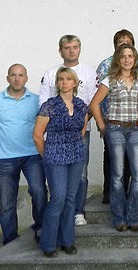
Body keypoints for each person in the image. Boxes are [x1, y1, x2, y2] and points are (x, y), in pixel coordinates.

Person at [90, 43, 138, 232]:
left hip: (135, 130)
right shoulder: (110, 80)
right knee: (117, 175)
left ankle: (133, 216)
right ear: (118, 59)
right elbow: (95, 103)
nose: (127, 60)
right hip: (115, 129)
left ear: (135, 59)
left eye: (130, 56)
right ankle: (119, 218)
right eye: (123, 56)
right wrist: (102, 125)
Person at [39, 35, 97, 226]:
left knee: (80, 174)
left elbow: (90, 103)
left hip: (80, 132)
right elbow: (44, 103)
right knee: (58, 181)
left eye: (74, 47)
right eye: (67, 47)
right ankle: (58, 217)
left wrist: (80, 126)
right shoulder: (50, 73)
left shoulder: (89, 72)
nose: (71, 51)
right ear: (60, 50)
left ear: (80, 49)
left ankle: (78, 212)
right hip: (55, 136)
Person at [33, 67, 89, 257]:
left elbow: (82, 129)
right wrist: (48, 155)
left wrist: (74, 145)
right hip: (55, 156)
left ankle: (67, 241)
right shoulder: (49, 105)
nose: (64, 82)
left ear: (75, 83)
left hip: (76, 155)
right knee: (57, 198)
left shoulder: (81, 105)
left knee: (71, 198)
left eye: (68, 79)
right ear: (57, 83)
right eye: (60, 79)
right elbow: (37, 136)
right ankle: (48, 244)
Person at [0, 64, 46, 245]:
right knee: (6, 202)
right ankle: (10, 239)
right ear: (7, 78)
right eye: (13, 75)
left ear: (26, 78)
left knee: (39, 191)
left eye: (21, 75)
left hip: (32, 156)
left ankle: (42, 229)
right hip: (4, 158)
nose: (17, 78)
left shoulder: (36, 101)